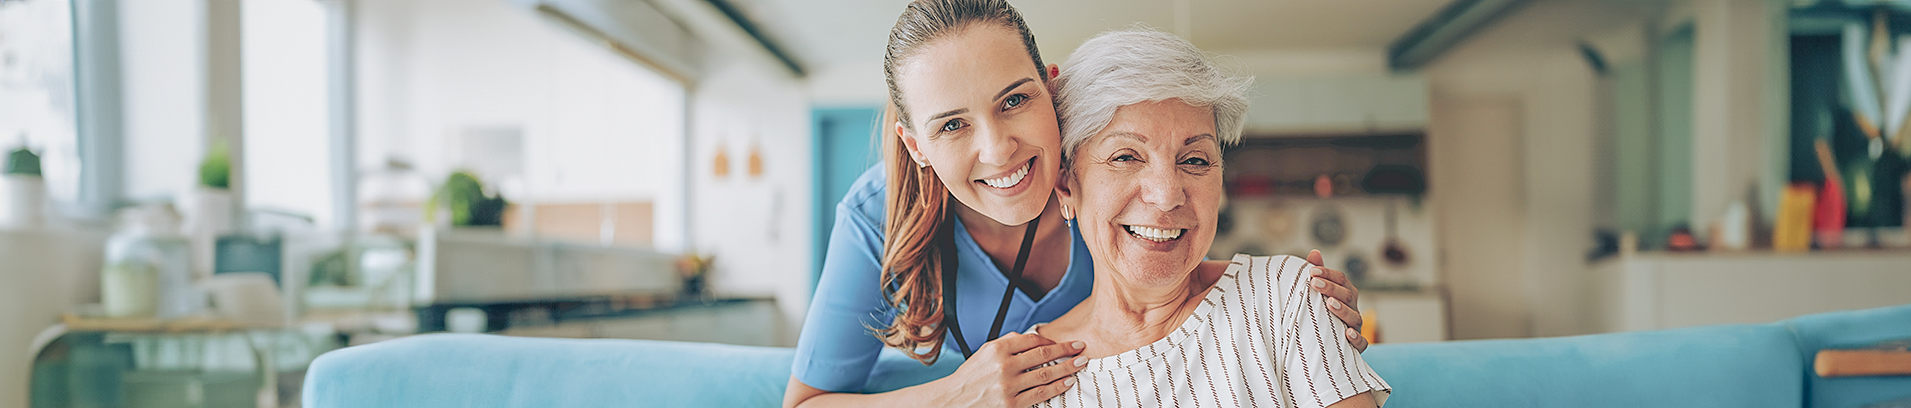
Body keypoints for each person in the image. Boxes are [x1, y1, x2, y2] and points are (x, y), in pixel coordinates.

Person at [783, 1, 1368, 407]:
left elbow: (1161, 257)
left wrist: (1281, 293)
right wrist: (958, 395)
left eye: (1014, 100)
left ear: (1051, 89)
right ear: (918, 147)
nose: (998, 149)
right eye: (953, 124)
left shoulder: (1093, 172)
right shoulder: (874, 217)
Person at [1028, 27, 1389, 408]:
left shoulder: (1283, 296)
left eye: (1195, 160)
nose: (1167, 196)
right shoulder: (1025, 375)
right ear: (1066, 185)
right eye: (1126, 157)